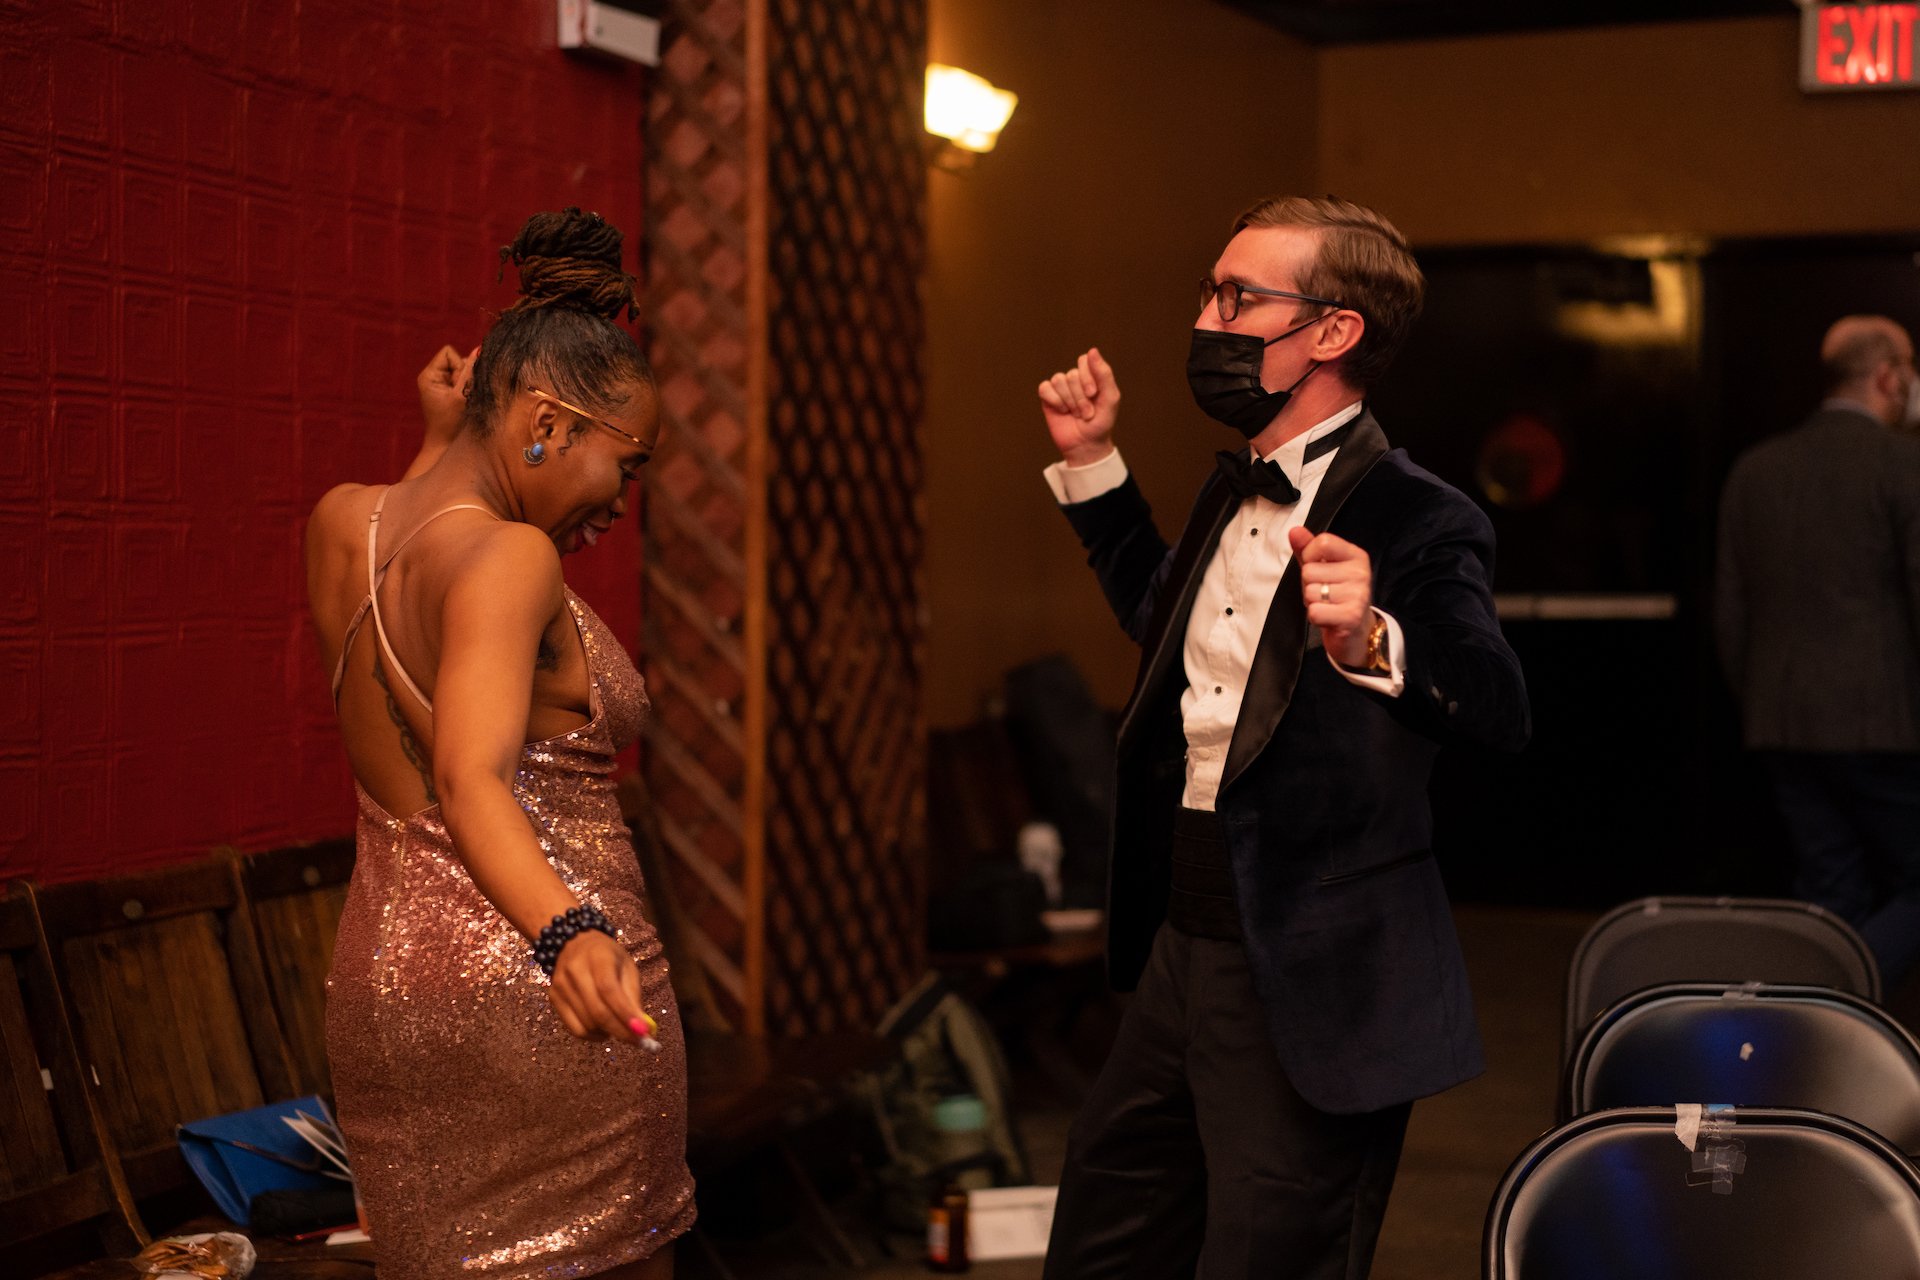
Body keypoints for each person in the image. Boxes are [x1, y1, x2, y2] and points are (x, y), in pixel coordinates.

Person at [1033, 195, 1529, 1280]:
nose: (1209, 319)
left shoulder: (1421, 514)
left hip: (1316, 958)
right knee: (1105, 1237)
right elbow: (1165, 626)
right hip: (1182, 935)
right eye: (1212, 291)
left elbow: (1496, 705)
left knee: (1273, 1251)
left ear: (1334, 331)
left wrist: (1373, 634)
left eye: (1239, 297)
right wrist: (1094, 463)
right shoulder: (1230, 490)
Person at [304, 208, 694, 1279]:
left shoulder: (348, 523)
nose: (623, 499)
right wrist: (565, 932)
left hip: (392, 1000)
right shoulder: (515, 558)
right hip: (549, 1000)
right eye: (628, 461)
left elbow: (420, 588)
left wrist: (442, 438)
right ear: (548, 419)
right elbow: (469, 774)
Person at [1716, 314, 1920, 986]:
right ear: (1890, 376)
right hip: (1887, 724)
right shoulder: (1904, 466)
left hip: (1780, 720)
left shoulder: (1756, 469)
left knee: (1832, 895)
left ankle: (1818, 1038)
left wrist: (1761, 699)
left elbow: (1732, 610)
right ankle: (1831, 1004)